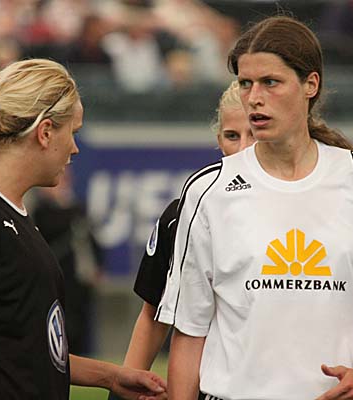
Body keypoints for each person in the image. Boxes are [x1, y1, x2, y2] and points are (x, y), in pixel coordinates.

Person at [156, 16, 353, 400]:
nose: (254, 97)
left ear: (310, 84)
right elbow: (189, 330)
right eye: (245, 83)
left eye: (270, 82)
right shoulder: (207, 190)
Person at [0, 58, 166, 400]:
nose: (74, 147)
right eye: (73, 132)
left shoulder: (13, 212)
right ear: (45, 132)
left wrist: (111, 377)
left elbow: (30, 349)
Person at [108, 80, 255, 400]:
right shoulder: (184, 214)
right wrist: (123, 393)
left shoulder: (305, 210)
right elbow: (153, 314)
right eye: (232, 136)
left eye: (254, 134)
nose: (243, 148)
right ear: (219, 140)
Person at [33, 167, 104, 356]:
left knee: (80, 322)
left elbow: (93, 240)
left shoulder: (78, 207)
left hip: (80, 276)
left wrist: (97, 266)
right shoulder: (42, 210)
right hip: (57, 274)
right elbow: (48, 231)